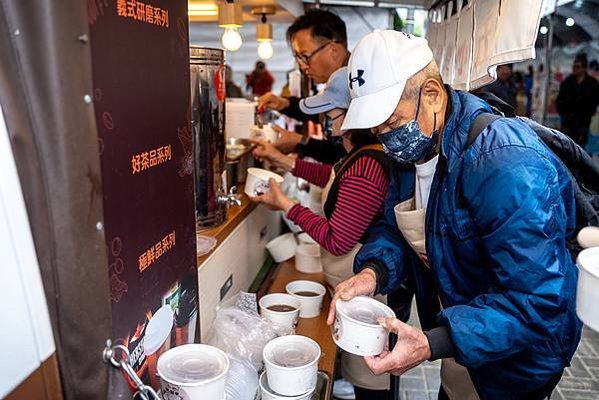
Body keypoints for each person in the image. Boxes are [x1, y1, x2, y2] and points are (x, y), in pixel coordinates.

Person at [328, 30, 582, 400]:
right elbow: (395, 228)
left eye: (393, 122)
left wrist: (433, 342)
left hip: (517, 360)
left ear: (431, 93)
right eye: (377, 129)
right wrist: (373, 273)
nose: (386, 138)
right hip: (464, 335)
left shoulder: (504, 163)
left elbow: (538, 298)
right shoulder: (412, 152)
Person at [252, 67, 394, 400]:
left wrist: (286, 204)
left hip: (371, 294)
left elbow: (338, 239)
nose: (326, 123)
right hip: (355, 287)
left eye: (330, 115)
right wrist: (281, 160)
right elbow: (330, 175)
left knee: (373, 382)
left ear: (356, 114)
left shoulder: (368, 165)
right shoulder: (357, 155)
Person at [258, 9, 350, 164]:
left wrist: (300, 142)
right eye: (298, 58)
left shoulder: (356, 86)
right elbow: (320, 111)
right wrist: (284, 104)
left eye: (305, 57)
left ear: (333, 50)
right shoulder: (339, 84)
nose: (303, 66)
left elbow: (343, 155)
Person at [556, 53, 599, 148]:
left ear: (584, 68)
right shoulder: (567, 82)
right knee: (567, 149)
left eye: (577, 67)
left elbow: (595, 101)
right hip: (568, 123)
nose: (574, 69)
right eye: (574, 66)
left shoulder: (592, 83)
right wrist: (563, 113)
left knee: (581, 149)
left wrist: (589, 112)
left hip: (583, 123)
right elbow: (560, 100)